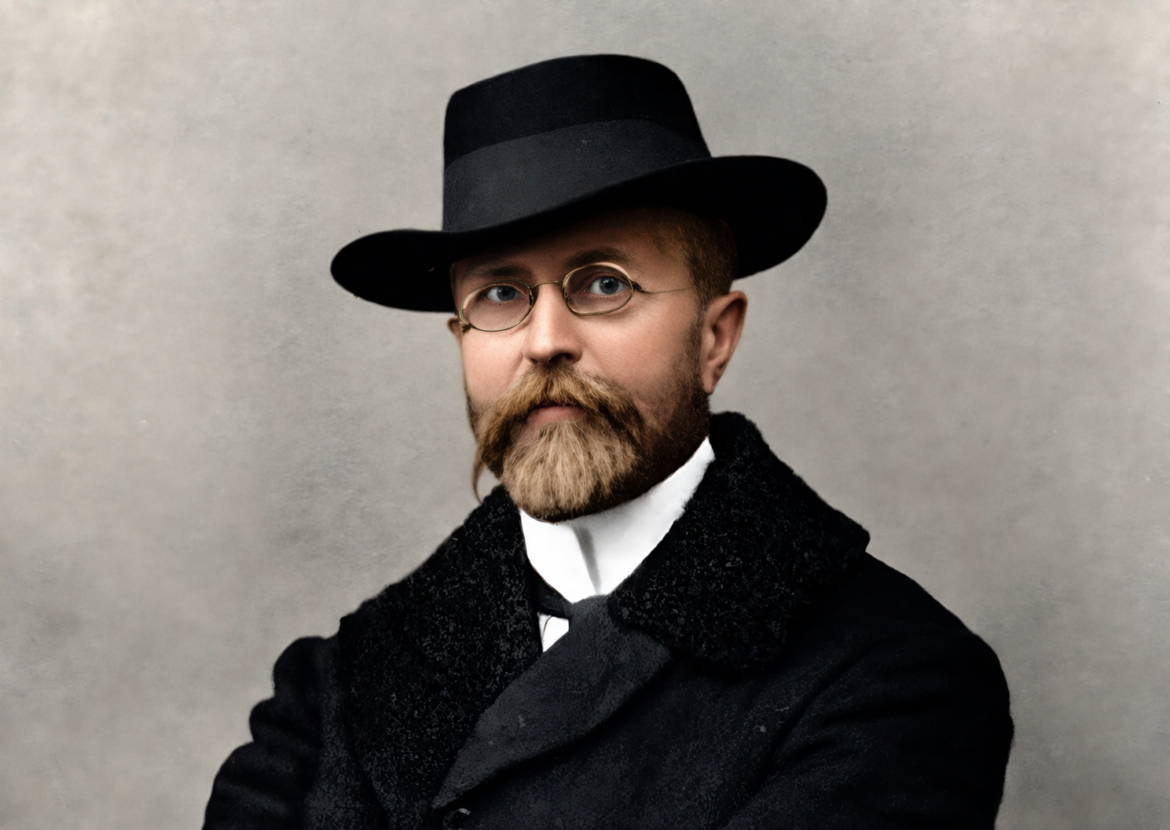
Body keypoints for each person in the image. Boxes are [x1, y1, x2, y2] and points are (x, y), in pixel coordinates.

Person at [204, 54, 1013, 830]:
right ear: (461, 340)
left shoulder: (897, 674)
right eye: (500, 295)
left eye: (603, 284)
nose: (545, 341)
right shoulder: (335, 686)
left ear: (715, 338)